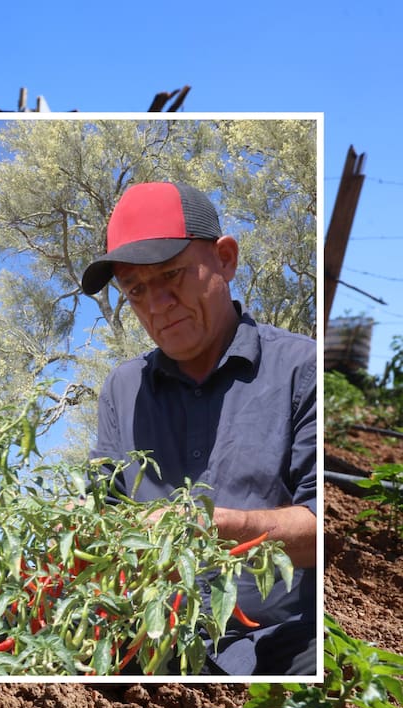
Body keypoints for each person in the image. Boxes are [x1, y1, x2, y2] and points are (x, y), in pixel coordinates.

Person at [80, 181, 317, 676]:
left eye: (172, 275)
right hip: (157, 639)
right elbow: (104, 530)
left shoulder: (303, 368)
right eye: (136, 289)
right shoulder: (123, 390)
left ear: (226, 260)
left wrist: (216, 527)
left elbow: (324, 527)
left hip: (284, 642)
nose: (157, 303)